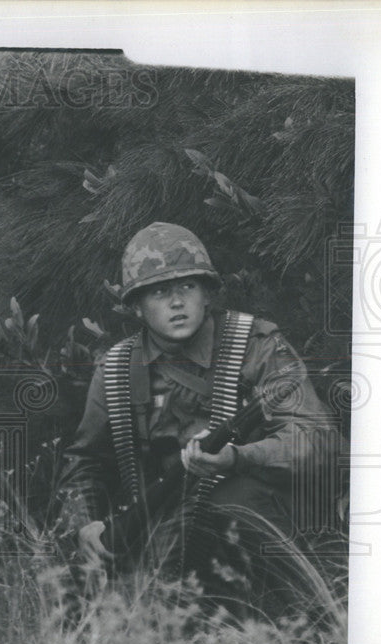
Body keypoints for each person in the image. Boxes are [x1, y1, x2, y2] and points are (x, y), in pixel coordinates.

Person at [58, 222, 340, 616]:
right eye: (159, 291)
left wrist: (238, 458)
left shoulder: (256, 347)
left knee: (235, 499)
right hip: (162, 534)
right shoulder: (118, 369)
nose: (177, 302)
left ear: (207, 293)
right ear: (137, 306)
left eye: (187, 287)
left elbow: (318, 440)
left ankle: (308, 618)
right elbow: (85, 462)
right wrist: (85, 523)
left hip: (256, 528)